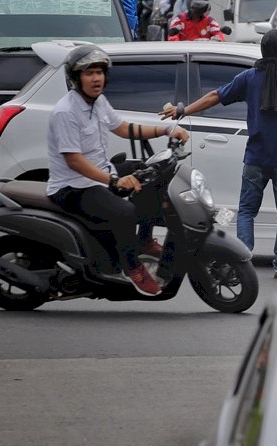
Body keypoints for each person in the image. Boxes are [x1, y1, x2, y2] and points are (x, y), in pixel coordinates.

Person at [159, 30, 277, 279]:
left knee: (247, 212)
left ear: (263, 50)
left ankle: (243, 260)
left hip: (256, 159)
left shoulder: (249, 77)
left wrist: (183, 109)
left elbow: (214, 96)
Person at [46, 44, 189, 296]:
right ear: (76, 78)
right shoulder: (65, 112)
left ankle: (143, 239)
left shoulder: (98, 102)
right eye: (89, 73)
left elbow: (123, 128)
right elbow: (74, 161)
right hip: (73, 186)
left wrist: (166, 129)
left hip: (99, 174)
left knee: (152, 173)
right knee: (125, 212)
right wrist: (114, 181)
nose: (96, 78)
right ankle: (131, 266)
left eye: (99, 72)